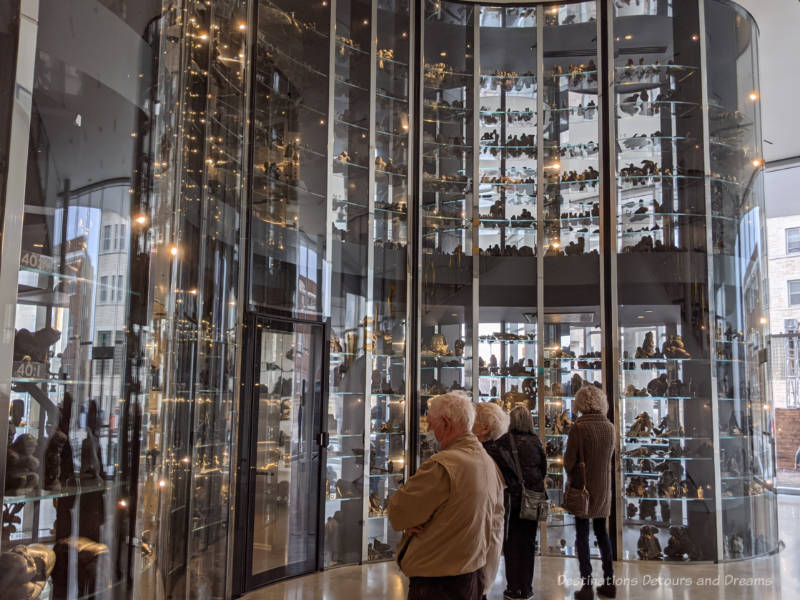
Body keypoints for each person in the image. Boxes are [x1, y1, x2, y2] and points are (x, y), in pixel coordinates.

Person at [388, 392, 505, 600]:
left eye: (432, 424)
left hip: (437, 577)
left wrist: (415, 519)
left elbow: (399, 512)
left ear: (446, 423)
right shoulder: (487, 461)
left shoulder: (443, 465)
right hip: (473, 572)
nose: (429, 430)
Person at [483, 405, 547, 600]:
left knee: (512, 543)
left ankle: (513, 587)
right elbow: (543, 469)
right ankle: (526, 587)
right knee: (528, 543)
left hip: (512, 498)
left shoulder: (504, 441)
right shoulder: (536, 441)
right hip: (533, 498)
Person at [564, 385, 616, 599]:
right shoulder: (610, 427)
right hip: (604, 488)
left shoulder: (578, 427)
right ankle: (609, 581)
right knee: (603, 534)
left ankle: (586, 585)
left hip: (583, 488)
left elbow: (569, 462)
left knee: (582, 534)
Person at [472, 402, 511, 598]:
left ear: (485, 429)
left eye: (473, 419)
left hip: (481, 540)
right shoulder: (493, 452)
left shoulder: (485, 456)